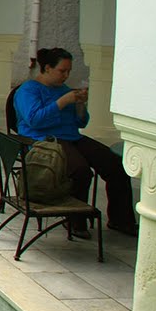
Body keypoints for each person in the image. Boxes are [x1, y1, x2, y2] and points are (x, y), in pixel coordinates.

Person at [13, 47, 137, 238]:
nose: (66, 75)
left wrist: (79, 105)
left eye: (68, 71)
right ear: (47, 68)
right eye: (62, 71)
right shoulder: (28, 90)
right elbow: (35, 120)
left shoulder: (63, 90)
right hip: (43, 142)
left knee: (115, 165)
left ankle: (121, 220)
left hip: (71, 137)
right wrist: (62, 102)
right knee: (79, 170)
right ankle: (74, 220)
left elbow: (81, 122)